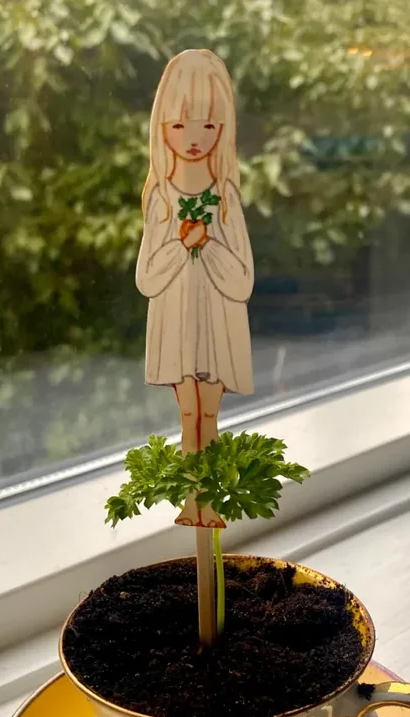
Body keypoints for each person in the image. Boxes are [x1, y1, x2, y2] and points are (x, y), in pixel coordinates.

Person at [136, 48, 254, 528]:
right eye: (179, 124)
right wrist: (180, 245)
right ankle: (192, 500)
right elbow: (147, 276)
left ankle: (212, 503)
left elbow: (242, 278)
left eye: (207, 125)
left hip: (217, 322)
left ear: (223, 127)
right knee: (188, 415)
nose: (192, 138)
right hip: (177, 323)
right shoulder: (161, 198)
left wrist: (209, 245)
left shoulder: (225, 197)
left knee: (209, 416)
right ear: (162, 126)